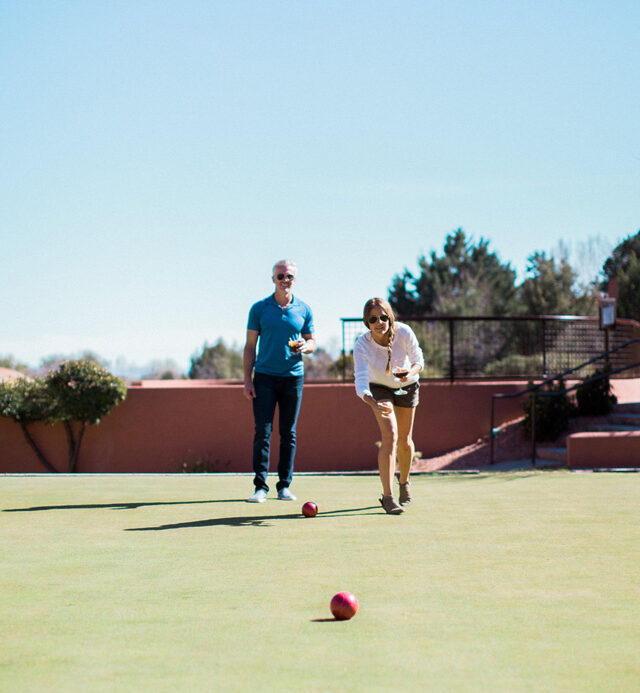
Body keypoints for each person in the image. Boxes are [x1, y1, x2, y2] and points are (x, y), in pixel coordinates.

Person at [243, 260, 316, 502]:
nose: (285, 280)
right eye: (280, 276)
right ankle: (260, 487)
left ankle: (284, 485)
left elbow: (312, 342)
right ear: (273, 279)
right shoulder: (259, 309)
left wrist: (307, 347)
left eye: (290, 277)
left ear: (295, 279)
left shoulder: (304, 309)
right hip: (264, 378)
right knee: (262, 433)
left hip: (293, 377)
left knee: (289, 433)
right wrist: (247, 380)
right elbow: (250, 347)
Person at [353, 298, 424, 514]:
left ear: (390, 318)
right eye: (373, 319)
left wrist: (409, 374)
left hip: (407, 387)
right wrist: (372, 402)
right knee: (390, 436)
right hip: (379, 389)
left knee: (405, 440)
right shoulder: (362, 344)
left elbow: (418, 360)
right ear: (367, 322)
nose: (379, 322)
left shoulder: (404, 332)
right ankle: (388, 496)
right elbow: (361, 381)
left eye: (383, 317)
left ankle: (404, 482)